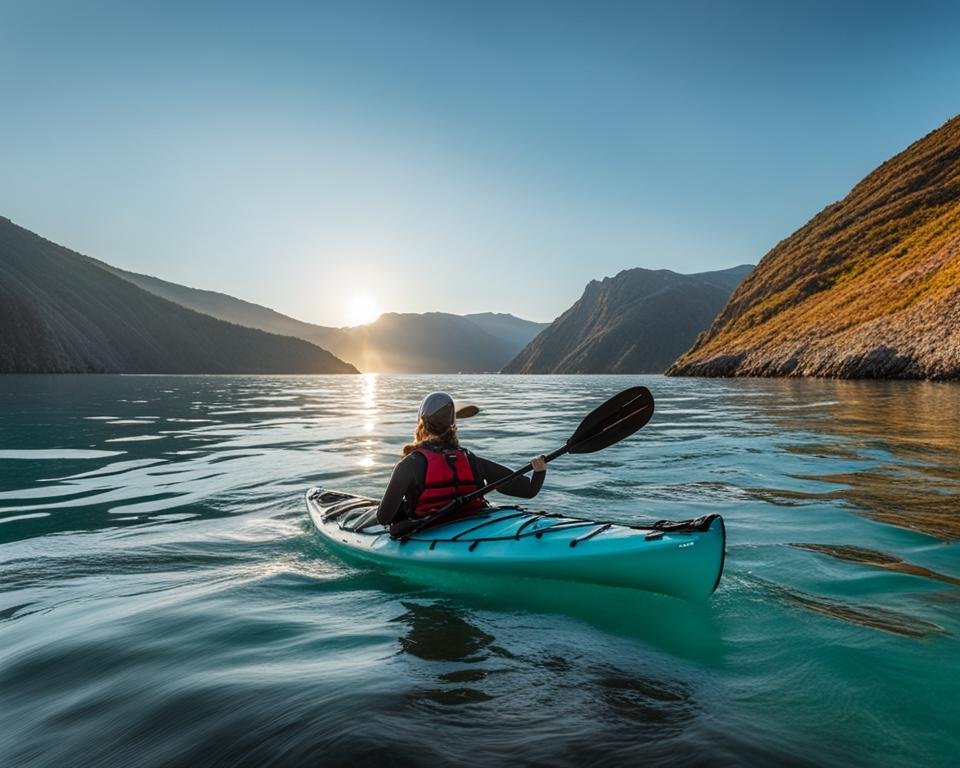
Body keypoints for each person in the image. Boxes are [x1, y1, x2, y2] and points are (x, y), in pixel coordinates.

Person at [377, 391, 547, 535]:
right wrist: (539, 471)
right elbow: (529, 490)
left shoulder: (410, 464)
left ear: (421, 423)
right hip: (473, 522)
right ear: (453, 425)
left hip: (429, 530)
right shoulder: (470, 460)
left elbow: (383, 518)